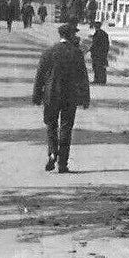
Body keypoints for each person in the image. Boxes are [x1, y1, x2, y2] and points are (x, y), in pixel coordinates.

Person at [32, 23, 91, 173]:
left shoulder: (49, 51)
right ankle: (63, 163)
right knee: (66, 127)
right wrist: (85, 97)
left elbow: (39, 76)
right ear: (70, 36)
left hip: (51, 95)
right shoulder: (76, 53)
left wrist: (36, 95)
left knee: (51, 125)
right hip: (70, 95)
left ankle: (52, 153)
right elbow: (83, 77)